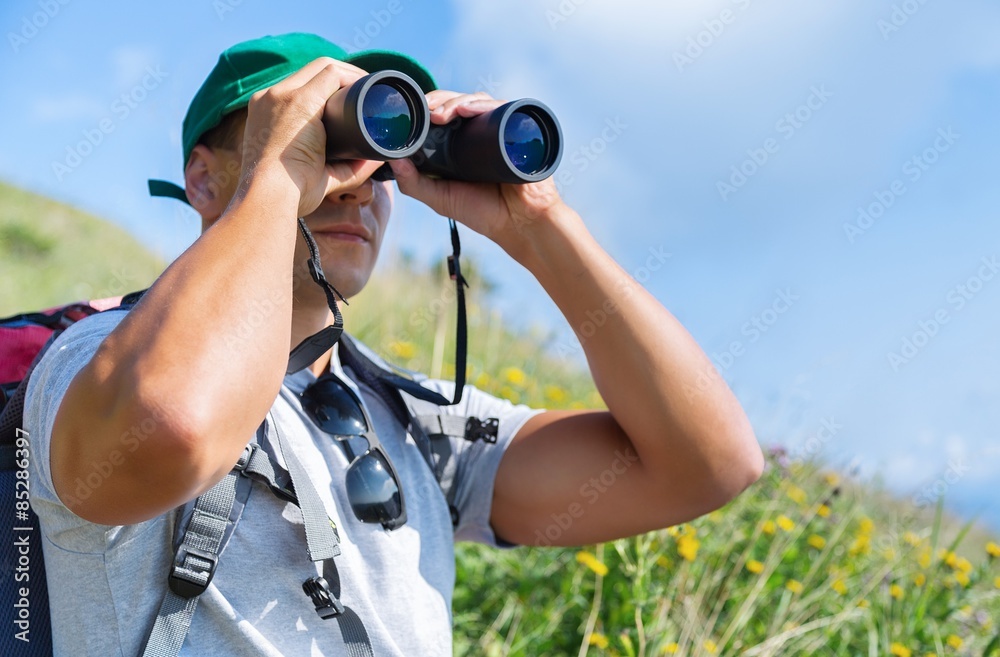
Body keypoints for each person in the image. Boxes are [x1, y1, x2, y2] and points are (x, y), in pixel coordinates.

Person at [23, 33, 764, 656]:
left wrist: (538, 223)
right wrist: (277, 182)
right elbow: (173, 427)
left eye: (378, 159)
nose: (353, 185)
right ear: (204, 178)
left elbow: (708, 464)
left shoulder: (410, 423)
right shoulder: (96, 360)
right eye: (323, 145)